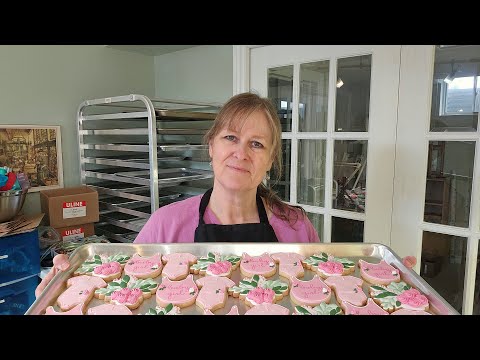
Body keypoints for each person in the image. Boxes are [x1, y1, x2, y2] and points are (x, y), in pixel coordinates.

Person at [35, 92, 416, 297]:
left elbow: (323, 293)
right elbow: (128, 293)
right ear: (211, 147)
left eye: (256, 144)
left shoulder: (295, 225)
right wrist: (65, 285)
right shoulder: (167, 224)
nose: (241, 152)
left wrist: (387, 281)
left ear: (270, 161)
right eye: (231, 138)